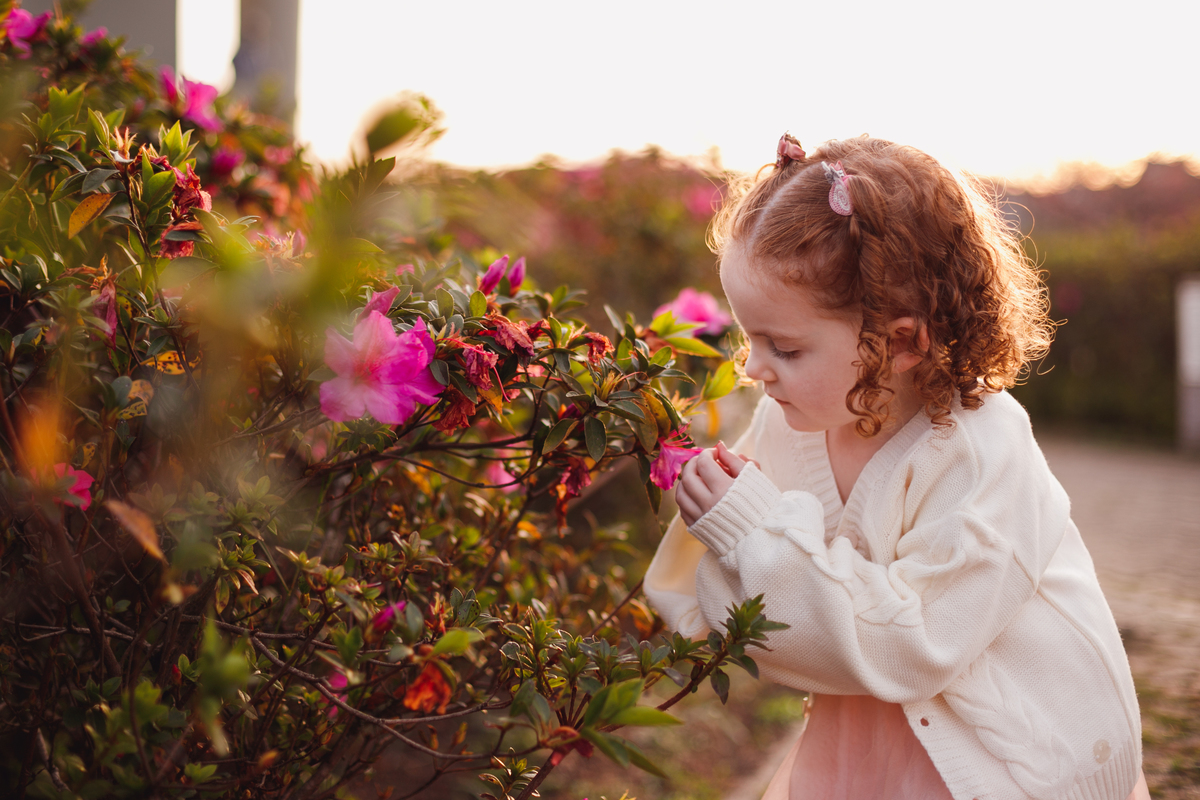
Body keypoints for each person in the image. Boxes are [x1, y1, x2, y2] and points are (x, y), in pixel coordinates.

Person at [644, 134, 1150, 800]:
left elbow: (916, 646)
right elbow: (725, 588)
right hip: (868, 724)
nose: (753, 368)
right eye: (748, 336)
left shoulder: (980, 450)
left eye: (786, 347)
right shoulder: (789, 418)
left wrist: (753, 536)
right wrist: (717, 525)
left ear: (902, 342)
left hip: (999, 750)